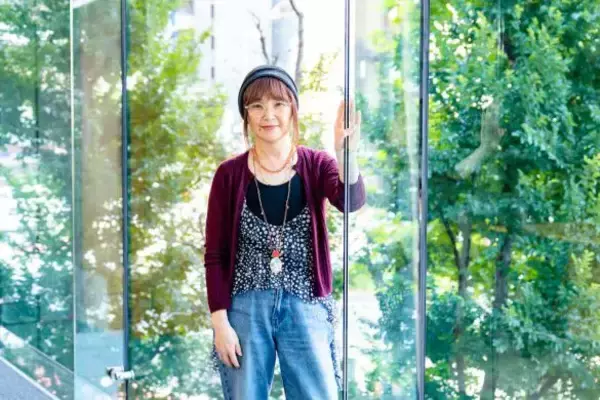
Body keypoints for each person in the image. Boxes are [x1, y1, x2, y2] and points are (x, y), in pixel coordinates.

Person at [203, 64, 366, 400]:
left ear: (293, 110)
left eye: (278, 104)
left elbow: (350, 201)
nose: (269, 114)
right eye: (257, 105)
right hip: (244, 307)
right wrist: (220, 323)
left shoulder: (316, 164)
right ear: (246, 115)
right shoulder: (229, 175)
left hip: (306, 303)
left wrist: (345, 153)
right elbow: (215, 254)